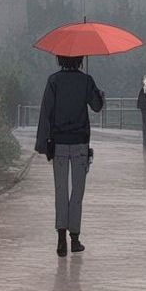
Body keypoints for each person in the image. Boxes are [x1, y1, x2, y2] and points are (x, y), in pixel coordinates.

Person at [33, 55, 106, 257]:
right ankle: (75, 239)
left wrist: (44, 142)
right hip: (80, 144)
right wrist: (99, 94)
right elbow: (97, 106)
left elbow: (46, 113)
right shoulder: (86, 81)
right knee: (77, 192)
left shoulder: (53, 81)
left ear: (59, 60)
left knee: (61, 191)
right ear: (80, 60)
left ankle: (60, 240)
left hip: (59, 144)